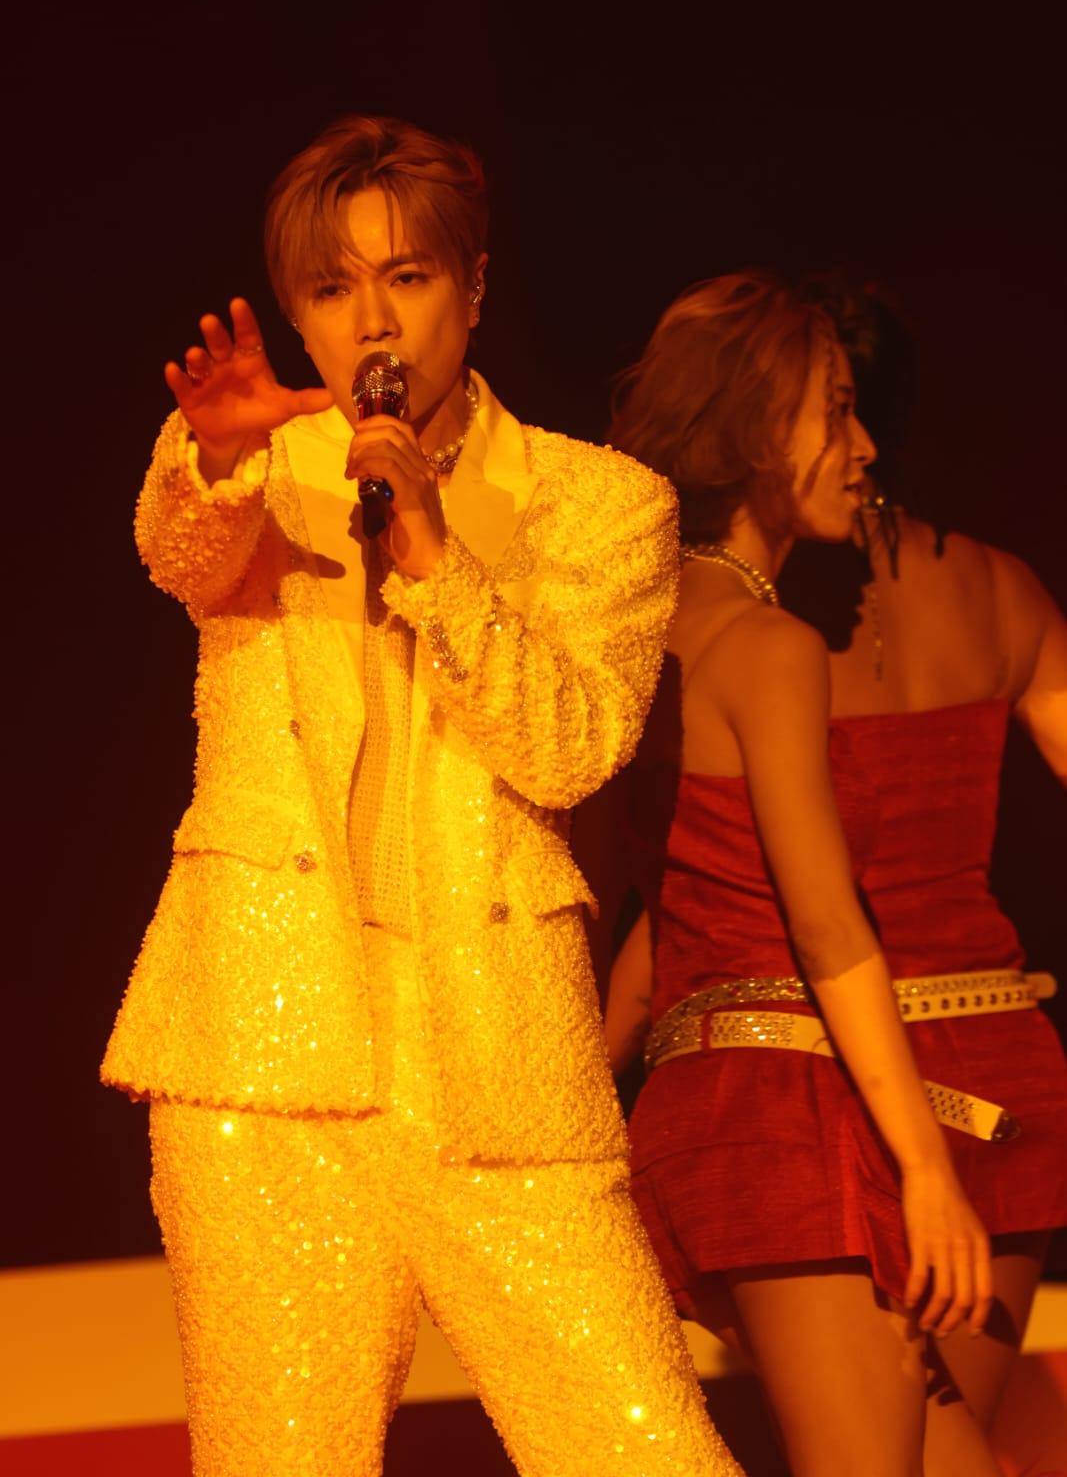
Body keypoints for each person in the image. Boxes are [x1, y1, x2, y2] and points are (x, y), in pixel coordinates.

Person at [101, 116, 742, 1477]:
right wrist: (210, 458)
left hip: (500, 1063)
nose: (373, 321)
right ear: (296, 316)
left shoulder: (599, 505)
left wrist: (441, 560)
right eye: (332, 288)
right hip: (266, 1063)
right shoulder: (254, 466)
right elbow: (182, 554)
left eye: (406, 277)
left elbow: (570, 747)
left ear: (475, 286)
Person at [603, 270, 1066, 1477]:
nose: (856, 448)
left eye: (858, 412)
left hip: (776, 1091)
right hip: (815, 1102)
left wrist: (585, 1097)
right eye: (832, 413)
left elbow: (671, 888)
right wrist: (924, 1168)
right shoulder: (775, 642)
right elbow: (818, 924)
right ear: (761, 432)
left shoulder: (635, 626)